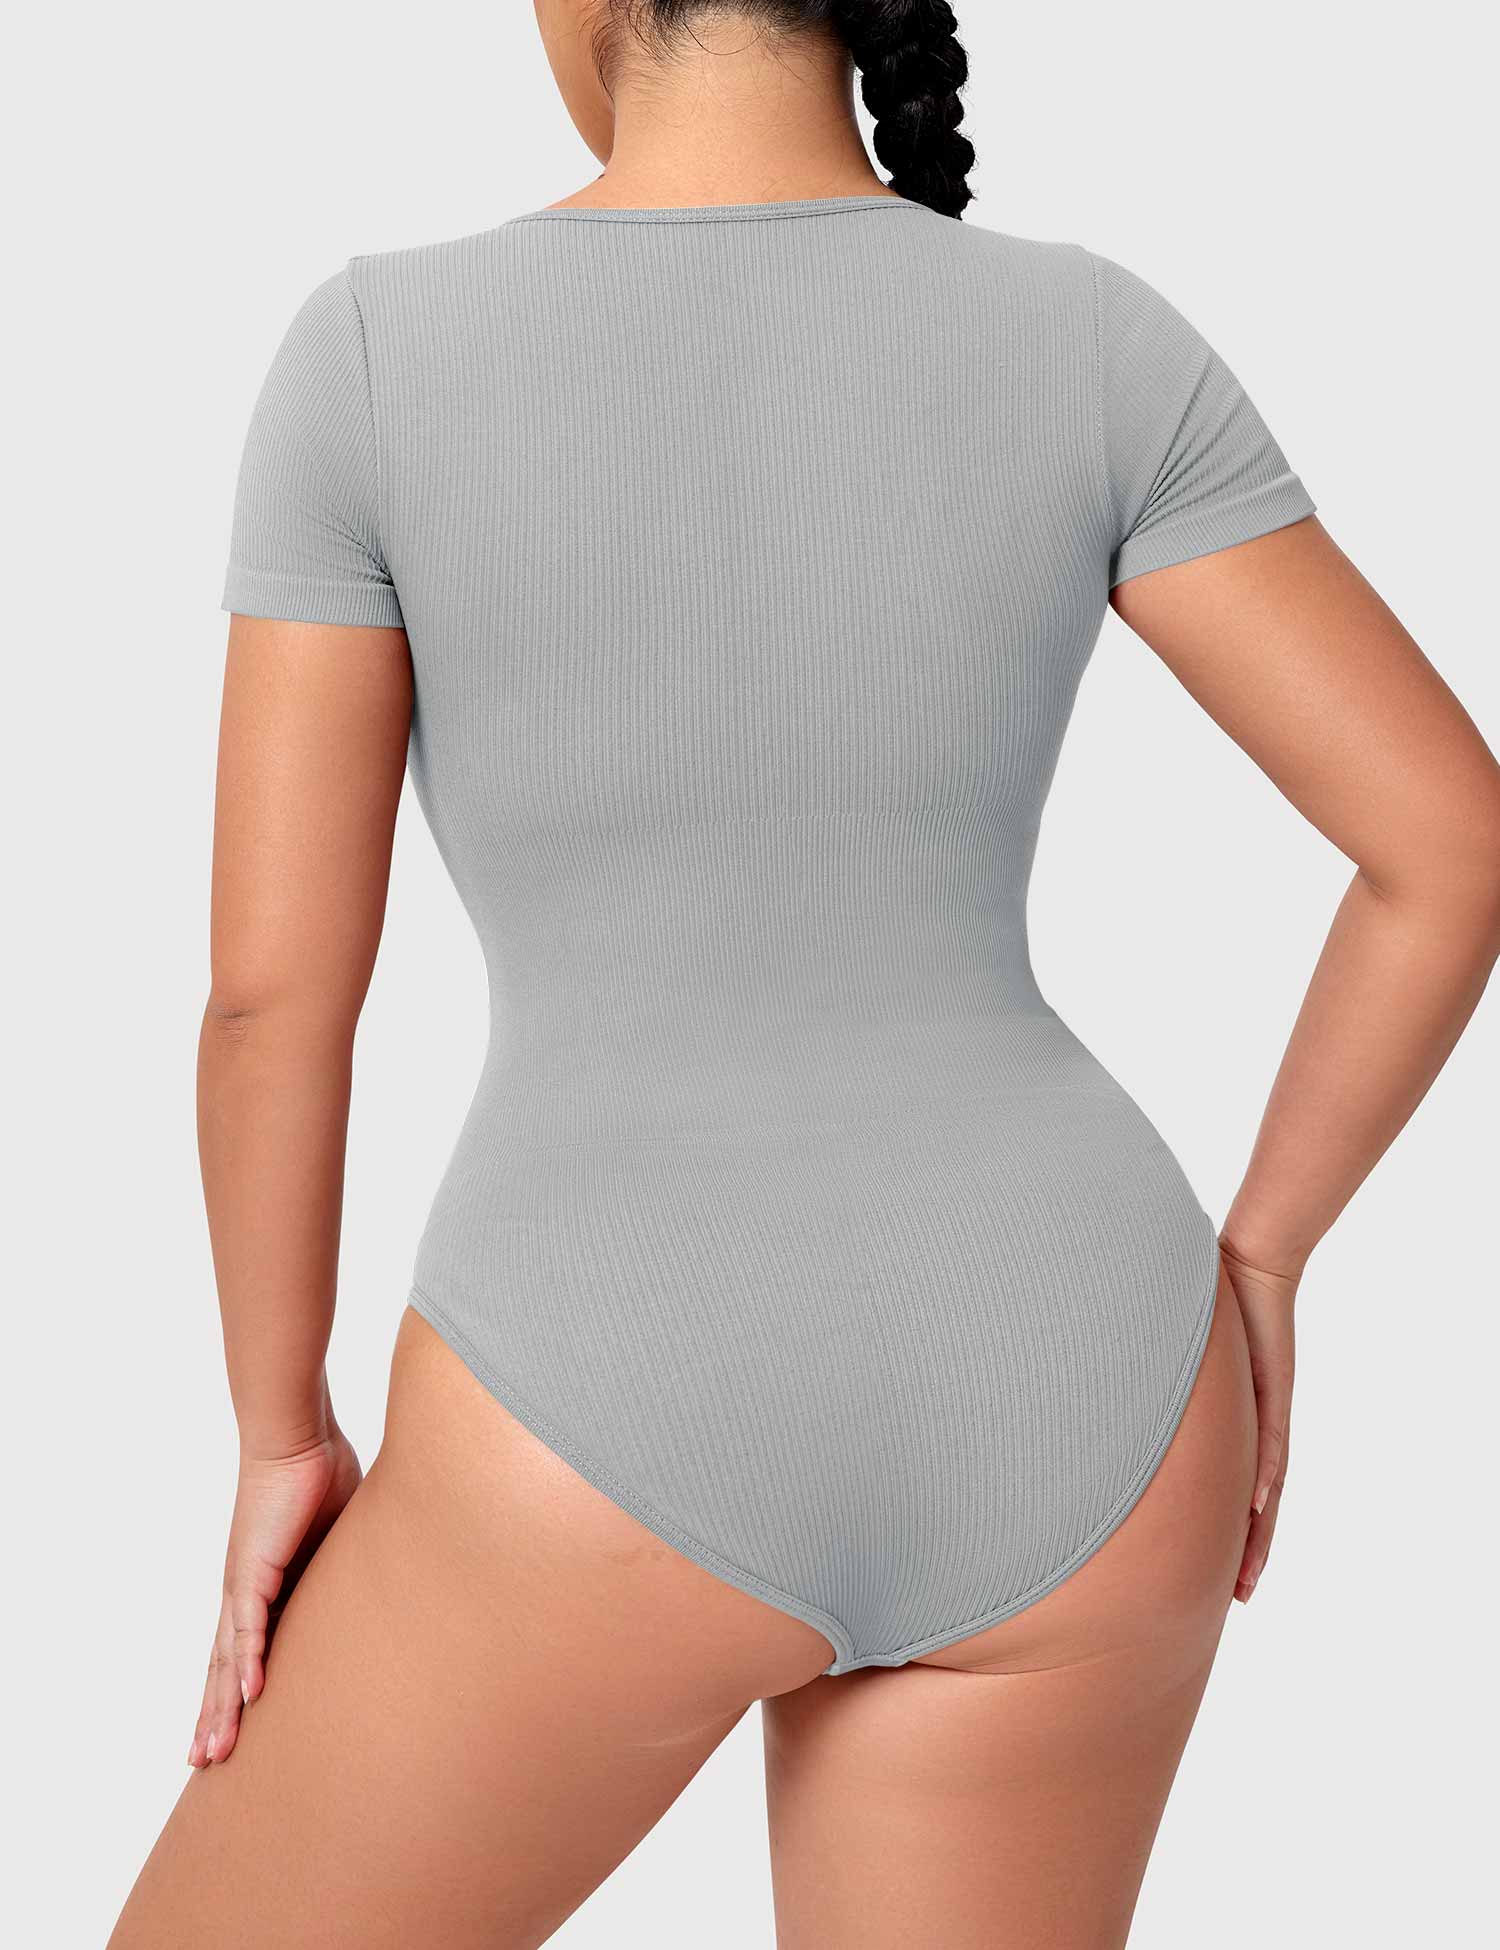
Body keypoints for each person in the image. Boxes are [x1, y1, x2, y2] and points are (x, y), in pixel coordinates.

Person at [108, 4, 1500, 1945]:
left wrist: (280, 1428)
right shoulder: (1091, 335)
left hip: (600, 1368)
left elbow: (272, 1001)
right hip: (1087, 1385)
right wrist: (1261, 1258)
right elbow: (1451, 843)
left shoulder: (372, 354)